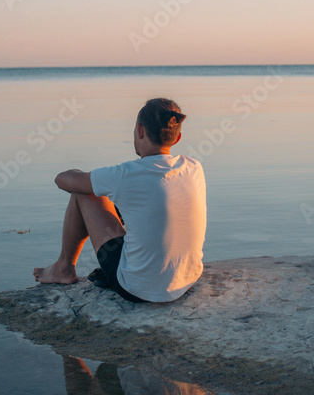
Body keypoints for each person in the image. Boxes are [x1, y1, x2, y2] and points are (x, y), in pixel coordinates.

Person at [33, 97, 206, 303]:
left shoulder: (126, 174)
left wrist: (80, 173)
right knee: (123, 198)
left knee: (85, 191)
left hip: (137, 288)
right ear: (176, 139)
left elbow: (62, 181)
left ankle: (63, 268)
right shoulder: (194, 167)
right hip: (185, 281)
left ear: (140, 131)